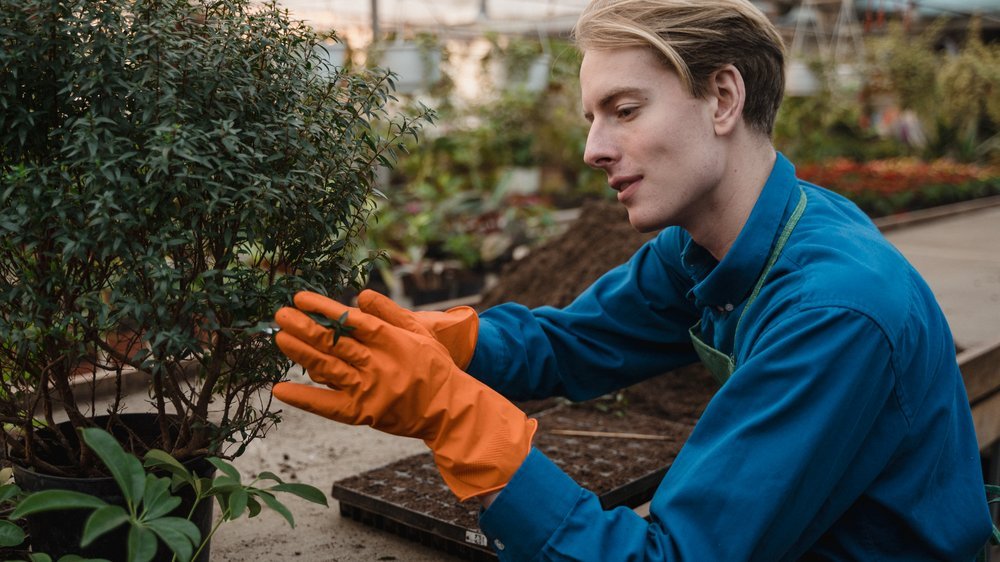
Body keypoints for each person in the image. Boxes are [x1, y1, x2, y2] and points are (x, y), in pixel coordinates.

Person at [269, 0, 994, 559]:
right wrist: (448, 344)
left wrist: (455, 418)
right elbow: (573, 344)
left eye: (624, 110)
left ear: (722, 99)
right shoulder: (704, 248)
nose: (592, 148)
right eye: (592, 117)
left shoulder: (835, 311)